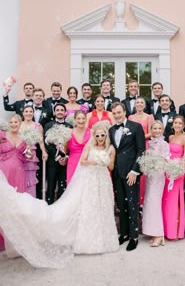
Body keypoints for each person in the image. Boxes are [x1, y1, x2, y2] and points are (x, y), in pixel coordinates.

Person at [0, 121, 119, 268]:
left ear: (106, 135)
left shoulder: (111, 148)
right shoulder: (89, 146)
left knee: (103, 207)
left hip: (104, 180)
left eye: (103, 135)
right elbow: (83, 162)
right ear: (94, 135)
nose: (100, 137)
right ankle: (88, 241)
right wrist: (95, 161)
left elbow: (112, 166)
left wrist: (106, 160)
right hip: (91, 180)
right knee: (90, 207)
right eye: (98, 135)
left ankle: (105, 239)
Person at [109, 102, 145, 251]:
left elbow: (141, 150)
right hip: (117, 172)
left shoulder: (135, 127)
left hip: (131, 173)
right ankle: (123, 234)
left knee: (132, 204)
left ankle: (134, 236)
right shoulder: (111, 130)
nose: (117, 115)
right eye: (114, 113)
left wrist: (135, 171)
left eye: (119, 112)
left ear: (124, 111)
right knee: (121, 205)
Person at [0, 114, 27, 251]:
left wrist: (29, 154)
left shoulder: (24, 138)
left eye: (16, 122)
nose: (13, 124)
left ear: (20, 123)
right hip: (4, 172)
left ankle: (15, 238)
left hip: (19, 171)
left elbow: (27, 157)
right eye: (11, 122)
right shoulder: (2, 135)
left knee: (16, 203)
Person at [142, 121, 170, 247]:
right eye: (154, 128)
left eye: (159, 128)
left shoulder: (164, 144)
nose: (157, 130)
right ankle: (153, 232)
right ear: (151, 130)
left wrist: (157, 164)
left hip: (158, 175)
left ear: (163, 130)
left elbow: (166, 160)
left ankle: (159, 235)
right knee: (149, 202)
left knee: (154, 202)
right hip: (150, 175)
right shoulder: (149, 143)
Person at [162, 115, 185, 240]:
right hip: (168, 172)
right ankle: (168, 229)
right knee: (167, 201)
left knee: (175, 201)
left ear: (183, 126)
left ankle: (176, 231)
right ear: (173, 125)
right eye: (176, 123)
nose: (177, 125)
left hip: (178, 172)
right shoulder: (170, 137)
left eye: (180, 123)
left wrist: (178, 168)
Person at [44, 103, 72, 205]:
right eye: (57, 110)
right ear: (54, 112)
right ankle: (49, 207)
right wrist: (58, 156)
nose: (60, 112)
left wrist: (65, 156)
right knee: (50, 185)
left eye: (62, 110)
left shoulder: (70, 126)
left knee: (63, 186)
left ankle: (61, 208)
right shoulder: (48, 125)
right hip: (52, 161)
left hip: (65, 162)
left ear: (65, 113)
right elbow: (47, 143)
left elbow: (71, 144)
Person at [129, 96, 154, 206]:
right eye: (137, 102)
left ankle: (144, 201)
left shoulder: (149, 117)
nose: (139, 104)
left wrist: (139, 137)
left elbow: (151, 132)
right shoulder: (130, 117)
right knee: (134, 169)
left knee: (144, 173)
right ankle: (135, 199)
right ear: (135, 105)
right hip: (133, 147)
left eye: (141, 102)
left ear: (144, 105)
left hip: (145, 145)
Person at [21, 105, 48, 197]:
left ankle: (31, 198)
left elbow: (41, 141)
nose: (28, 113)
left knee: (31, 177)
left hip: (32, 153)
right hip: (20, 153)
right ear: (23, 113)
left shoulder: (38, 126)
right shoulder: (19, 124)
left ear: (33, 113)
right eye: (26, 111)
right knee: (21, 176)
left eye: (30, 112)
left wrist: (44, 151)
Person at [66, 110, 91, 184]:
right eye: (79, 118)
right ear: (75, 119)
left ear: (86, 119)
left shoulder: (92, 132)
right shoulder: (68, 132)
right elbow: (65, 150)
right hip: (73, 162)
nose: (81, 121)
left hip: (87, 162)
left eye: (83, 118)